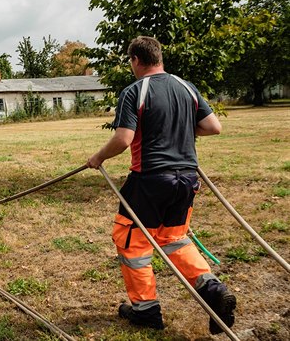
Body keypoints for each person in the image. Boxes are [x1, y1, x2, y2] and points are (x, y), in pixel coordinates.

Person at [86, 36, 235, 334]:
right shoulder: (186, 86)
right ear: (159, 57)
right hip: (187, 180)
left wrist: (97, 158)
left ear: (135, 60)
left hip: (150, 180)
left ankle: (146, 310)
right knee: (174, 238)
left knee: (132, 242)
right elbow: (212, 127)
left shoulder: (134, 91)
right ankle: (213, 290)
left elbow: (124, 138)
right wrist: (175, 130)